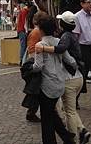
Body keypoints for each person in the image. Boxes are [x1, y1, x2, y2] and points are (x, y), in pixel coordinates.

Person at [39, 12, 90, 144]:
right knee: (58, 112)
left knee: (67, 112)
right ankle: (76, 133)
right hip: (73, 79)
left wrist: (44, 49)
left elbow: (60, 51)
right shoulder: (68, 36)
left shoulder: (64, 37)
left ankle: (71, 138)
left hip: (61, 81)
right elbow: (71, 60)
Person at [32, 15, 76, 144]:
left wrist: (29, 66)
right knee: (51, 112)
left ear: (42, 30)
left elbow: (38, 67)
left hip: (47, 86)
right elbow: (71, 61)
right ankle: (67, 137)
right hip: (60, 83)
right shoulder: (58, 42)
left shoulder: (40, 45)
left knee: (46, 119)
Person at [24, 11, 49, 123]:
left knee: (36, 90)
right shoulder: (36, 32)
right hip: (35, 61)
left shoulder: (36, 31)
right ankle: (31, 112)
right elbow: (32, 50)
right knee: (36, 90)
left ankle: (31, 112)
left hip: (35, 61)